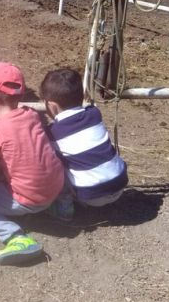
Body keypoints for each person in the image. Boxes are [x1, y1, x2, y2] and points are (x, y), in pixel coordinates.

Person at [0, 62, 64, 265]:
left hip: (30, 198)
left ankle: (16, 237)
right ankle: (62, 206)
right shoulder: (33, 115)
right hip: (57, 187)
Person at [40, 68, 128, 220]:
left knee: (53, 164)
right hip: (120, 185)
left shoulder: (53, 133)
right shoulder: (94, 114)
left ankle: (64, 207)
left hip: (91, 196)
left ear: (52, 106)